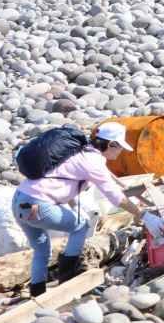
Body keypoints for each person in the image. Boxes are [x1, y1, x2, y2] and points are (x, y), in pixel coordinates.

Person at [14, 123, 145, 295]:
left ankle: (37, 294)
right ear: (110, 144)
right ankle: (67, 280)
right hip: (38, 206)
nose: (119, 152)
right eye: (118, 147)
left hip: (20, 201)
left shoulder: (78, 153)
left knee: (42, 251)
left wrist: (75, 205)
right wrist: (144, 215)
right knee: (81, 226)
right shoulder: (94, 161)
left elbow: (61, 182)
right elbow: (116, 197)